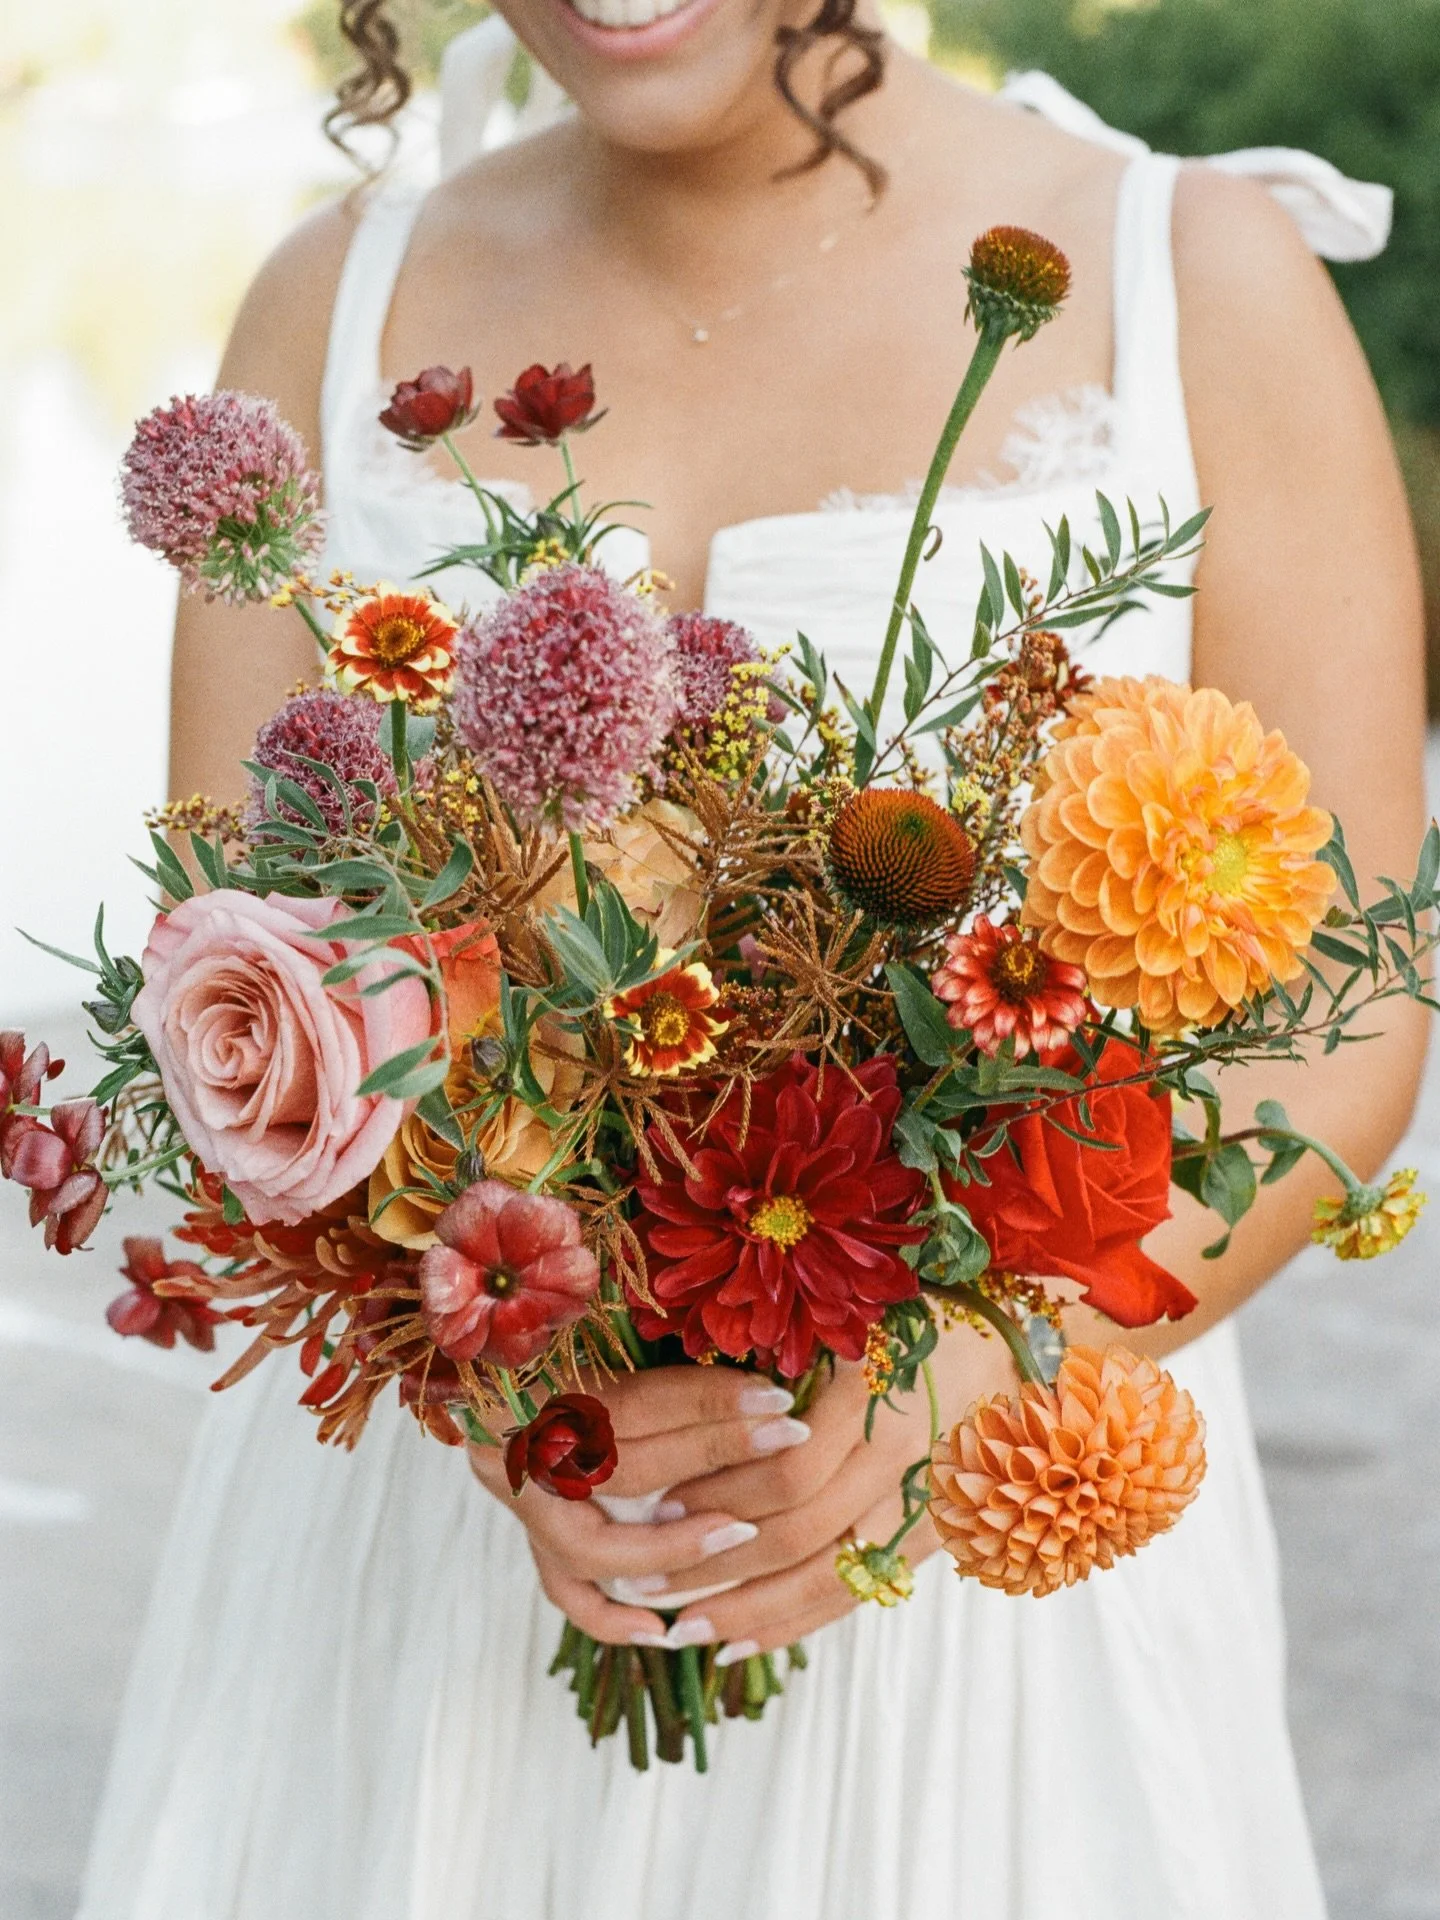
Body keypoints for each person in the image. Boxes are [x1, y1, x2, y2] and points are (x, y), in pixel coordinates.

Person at [80, 5, 1426, 1916]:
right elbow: (235, 975)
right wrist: (504, 1385)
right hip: (436, 1585)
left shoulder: (1196, 273)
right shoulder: (329, 305)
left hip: (980, 1599)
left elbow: (1339, 1020)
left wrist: (975, 1371)